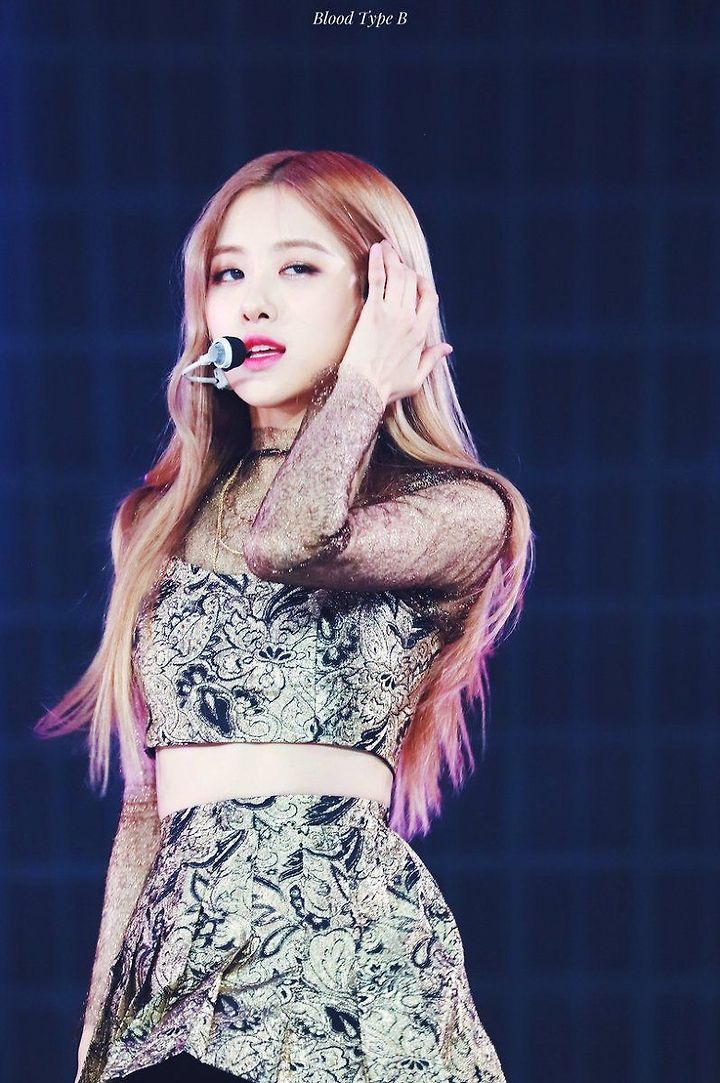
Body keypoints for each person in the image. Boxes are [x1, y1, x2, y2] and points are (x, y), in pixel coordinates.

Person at [35, 149, 534, 1082]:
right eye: (228, 274)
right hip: (177, 984)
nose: (252, 305)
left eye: (298, 268)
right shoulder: (155, 522)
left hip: (347, 975)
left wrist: (365, 384)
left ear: (385, 301)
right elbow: (149, 801)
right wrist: (94, 1038)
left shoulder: (461, 510)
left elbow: (291, 542)